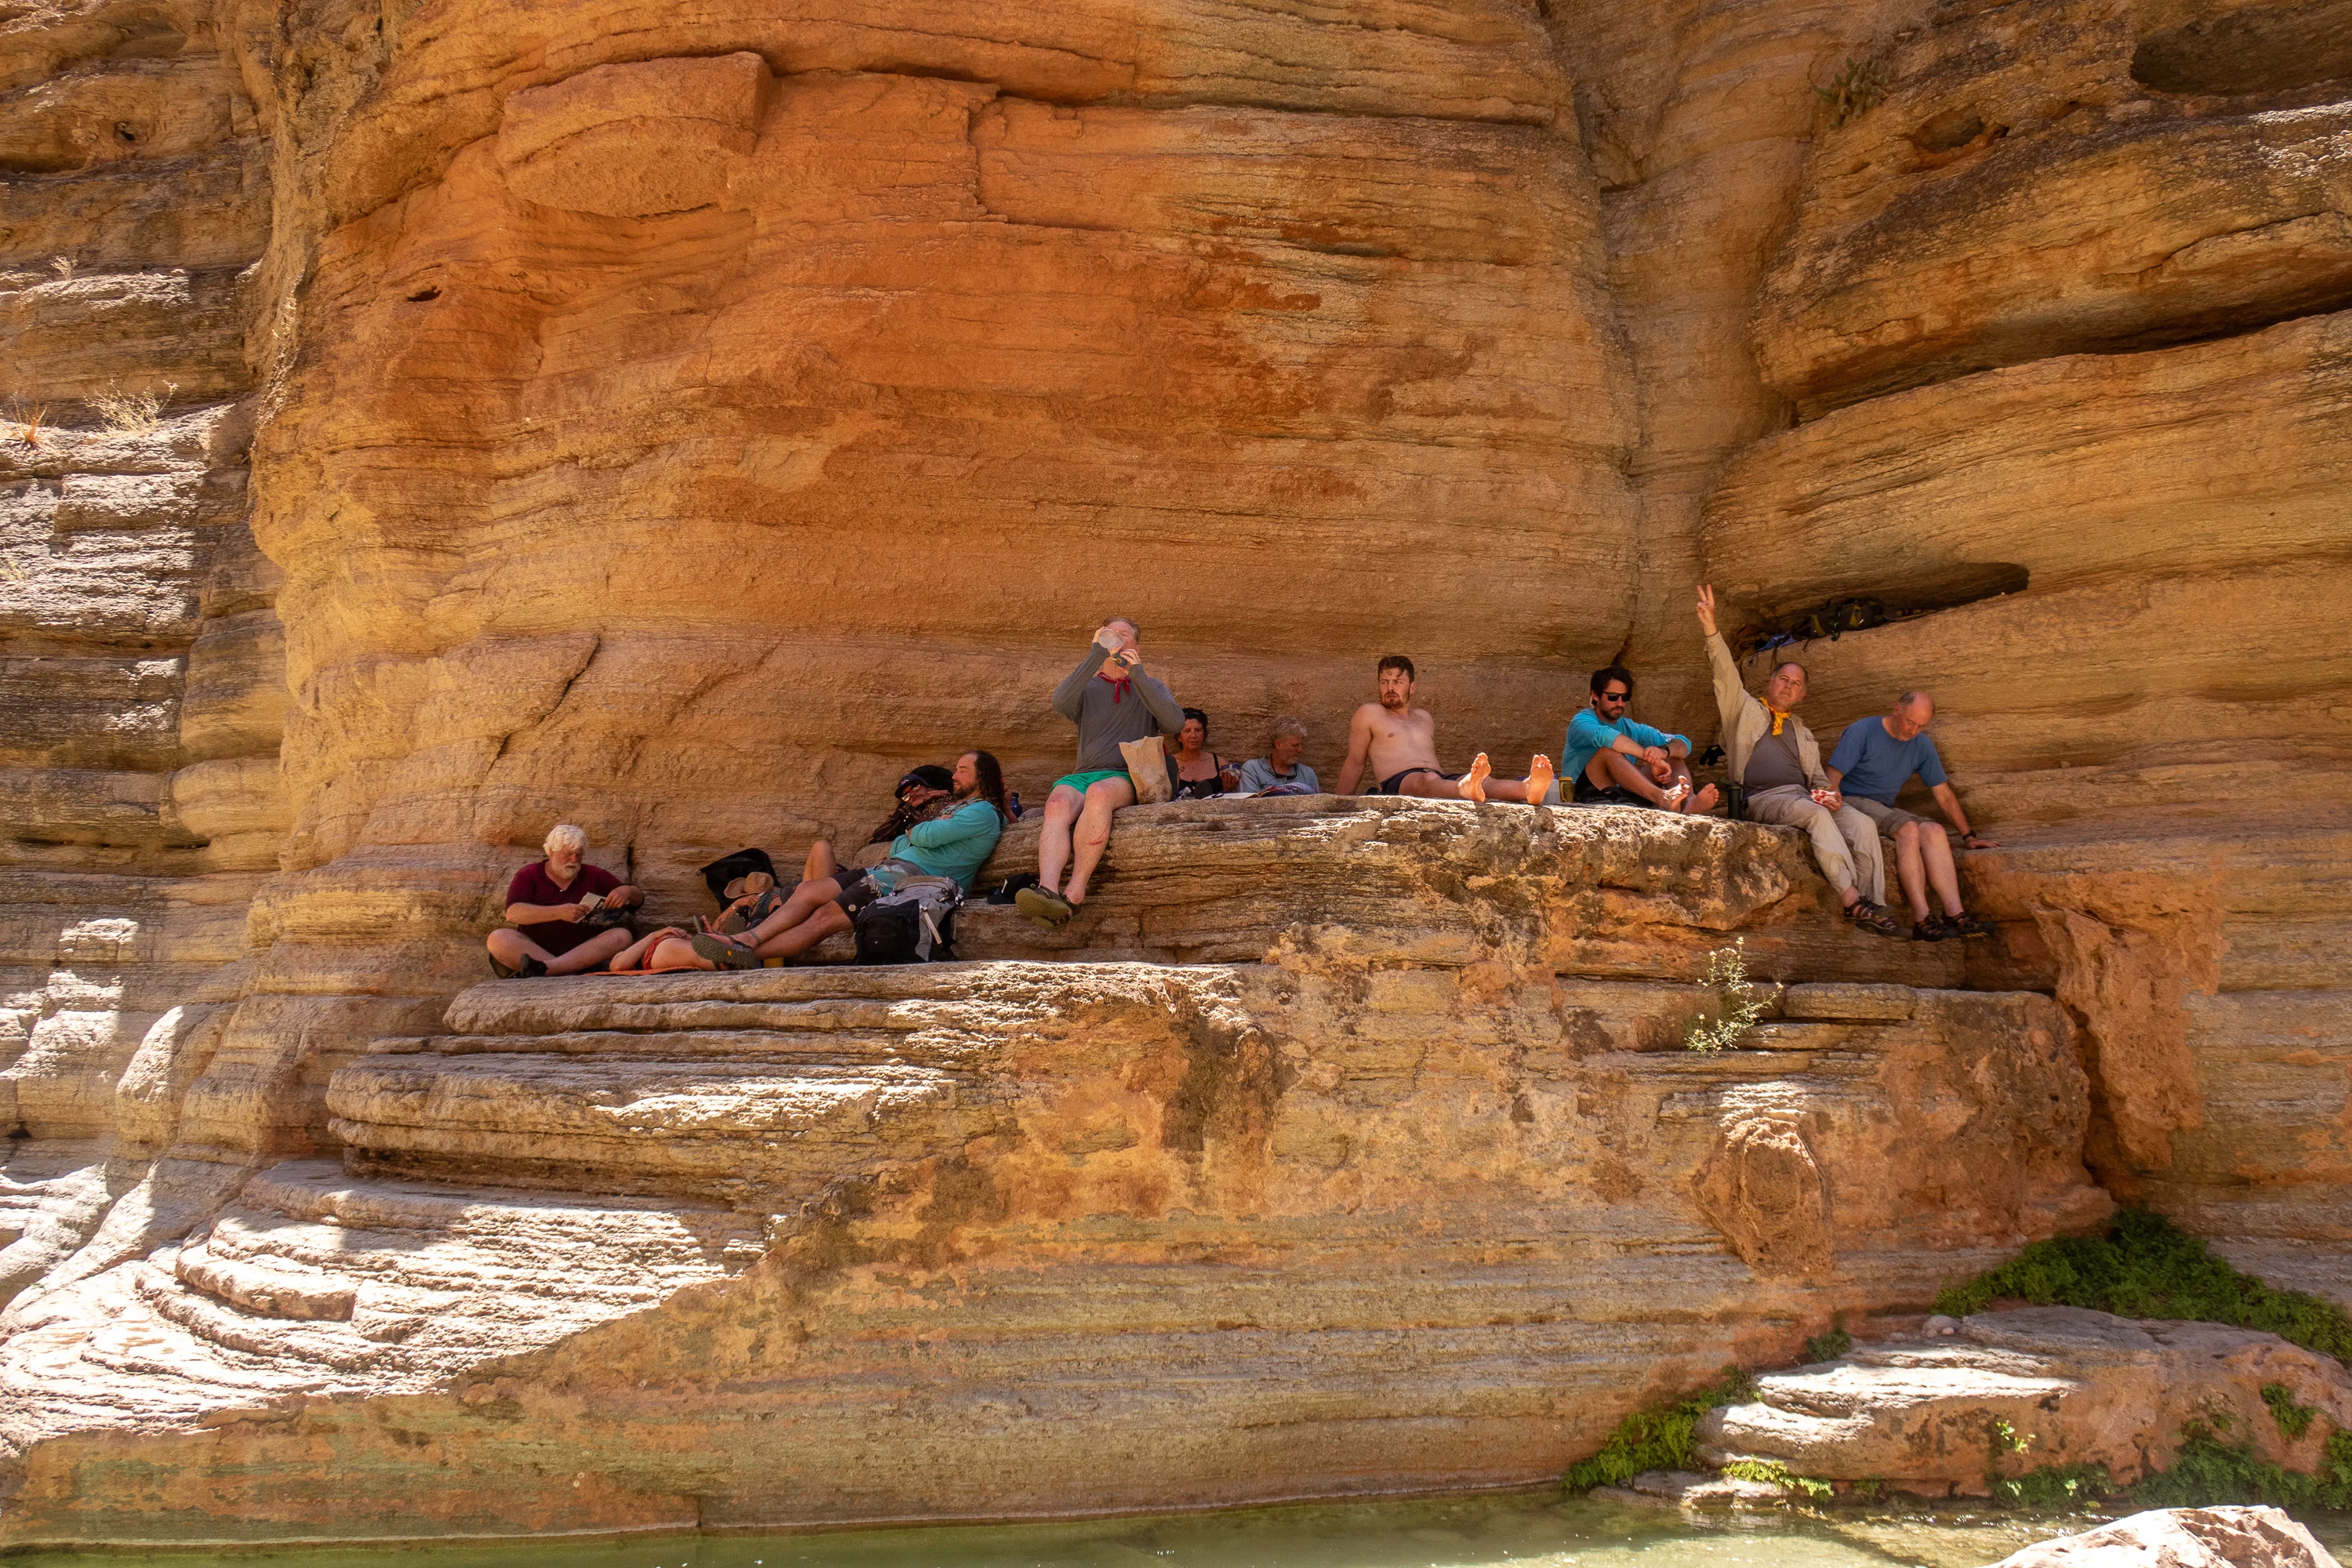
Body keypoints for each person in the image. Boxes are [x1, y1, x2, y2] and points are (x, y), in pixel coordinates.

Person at [1697, 586, 1901, 938]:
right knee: (1816, 815)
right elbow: (1724, 673)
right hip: (1763, 798)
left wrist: (1830, 794)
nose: (1788, 687)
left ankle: (1873, 904)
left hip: (1803, 796)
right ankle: (1851, 897)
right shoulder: (1742, 710)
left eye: (1796, 684)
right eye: (1783, 679)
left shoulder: (1803, 731)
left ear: (1802, 694)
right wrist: (1711, 628)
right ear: (1771, 682)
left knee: (1863, 824)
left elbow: (1820, 779)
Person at [689, 751, 1009, 968]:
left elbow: (923, 837)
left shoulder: (982, 812)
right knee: (808, 892)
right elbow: (900, 843)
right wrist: (921, 830)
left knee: (822, 920)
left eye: (962, 770)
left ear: (982, 776)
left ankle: (740, 949)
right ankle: (743, 940)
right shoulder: (961, 809)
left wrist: (921, 830)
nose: (954, 775)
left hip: (914, 878)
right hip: (893, 869)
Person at [1017, 619, 1184, 927]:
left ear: (1136, 645)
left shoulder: (1150, 685)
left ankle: (1073, 895)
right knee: (1057, 805)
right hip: (1083, 773)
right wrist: (1095, 654)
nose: (1118, 640)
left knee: (1099, 794)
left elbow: (1174, 724)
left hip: (1125, 776)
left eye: (1125, 635)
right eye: (1111, 635)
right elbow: (1060, 701)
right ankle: (1047, 891)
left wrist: (1137, 674)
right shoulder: (1089, 685)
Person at [1828, 691, 2002, 941]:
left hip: (1882, 806)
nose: (1913, 731)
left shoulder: (1921, 744)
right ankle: (1922, 918)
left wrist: (1969, 836)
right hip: (1851, 801)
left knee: (1935, 830)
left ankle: (1956, 914)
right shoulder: (1863, 730)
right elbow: (1833, 774)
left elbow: (1944, 795)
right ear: (1897, 709)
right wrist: (1831, 800)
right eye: (1911, 722)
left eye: (1921, 726)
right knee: (1908, 828)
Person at [1334, 655, 1555, 804]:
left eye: (1398, 682)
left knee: (1481, 780)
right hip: (1400, 783)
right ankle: (1465, 789)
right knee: (1429, 782)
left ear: (1412, 687)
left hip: (1437, 778)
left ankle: (1527, 789)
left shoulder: (1424, 717)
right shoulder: (1370, 712)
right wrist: (1338, 803)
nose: (1390, 687)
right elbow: (1355, 761)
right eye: (1384, 682)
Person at [487, 824, 644, 977]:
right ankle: (568, 972)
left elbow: (638, 901)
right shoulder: (529, 874)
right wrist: (559, 912)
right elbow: (514, 914)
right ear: (550, 852)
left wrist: (626, 891)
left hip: (583, 953)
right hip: (536, 950)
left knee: (622, 935)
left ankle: (550, 970)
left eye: (579, 854)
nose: (574, 859)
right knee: (498, 938)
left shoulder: (594, 875)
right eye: (568, 854)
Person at [1563, 665, 1721, 814]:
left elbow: (1684, 743)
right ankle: (1664, 797)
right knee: (1608, 752)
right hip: (1587, 793)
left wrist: (1662, 753)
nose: (1619, 703)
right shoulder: (1582, 721)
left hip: (1623, 795)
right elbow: (1608, 737)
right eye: (1613, 697)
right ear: (1595, 695)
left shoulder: (1632, 727)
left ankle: (1689, 803)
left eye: (1625, 697)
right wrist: (1653, 759)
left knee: (1672, 756)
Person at [866, 764, 955, 847]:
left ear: (928, 788)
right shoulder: (911, 810)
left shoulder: (945, 801)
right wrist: (911, 807)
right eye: (906, 796)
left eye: (915, 788)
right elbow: (879, 835)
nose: (912, 794)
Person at [1167, 709, 1241, 800]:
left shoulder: (1220, 764)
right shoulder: (1169, 764)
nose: (1193, 735)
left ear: (1204, 734)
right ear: (1179, 737)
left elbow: (1232, 797)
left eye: (1198, 730)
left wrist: (1229, 788)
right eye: (1187, 731)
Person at [1238, 717, 1319, 794]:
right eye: (1295, 745)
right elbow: (1249, 805)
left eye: (1302, 745)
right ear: (1278, 744)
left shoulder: (1307, 774)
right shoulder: (1253, 769)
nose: (1300, 750)